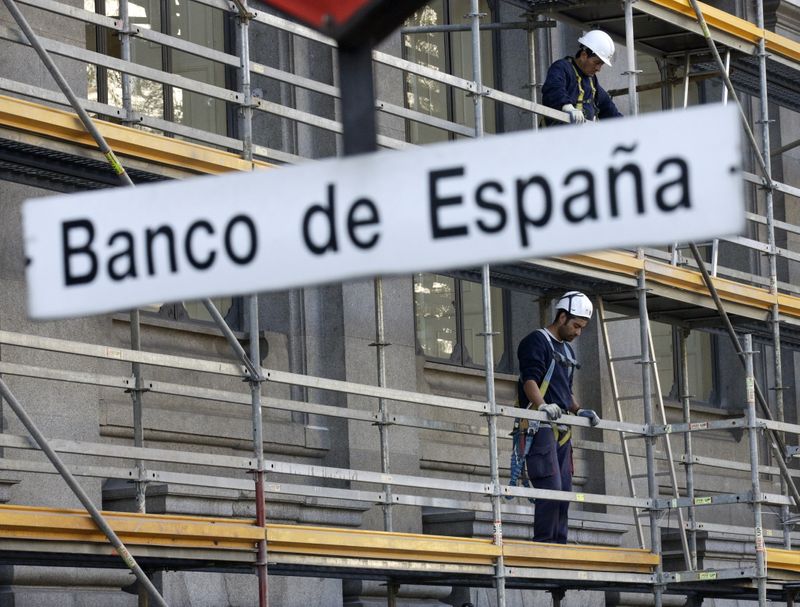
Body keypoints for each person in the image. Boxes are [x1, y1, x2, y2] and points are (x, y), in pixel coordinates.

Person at [516, 291, 600, 544]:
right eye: (576, 325)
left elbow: (565, 391)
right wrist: (542, 406)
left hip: (561, 427)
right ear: (561, 317)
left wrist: (578, 410)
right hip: (540, 425)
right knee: (550, 489)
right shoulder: (537, 341)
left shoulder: (568, 352)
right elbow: (529, 379)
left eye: (582, 327)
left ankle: (559, 548)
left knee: (564, 491)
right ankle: (545, 548)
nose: (578, 332)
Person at [541, 30, 623, 126]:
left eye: (601, 64)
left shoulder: (591, 81)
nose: (598, 68)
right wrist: (567, 107)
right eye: (596, 63)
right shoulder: (562, 68)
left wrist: (625, 126)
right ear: (584, 55)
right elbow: (553, 89)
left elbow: (608, 108)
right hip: (557, 136)